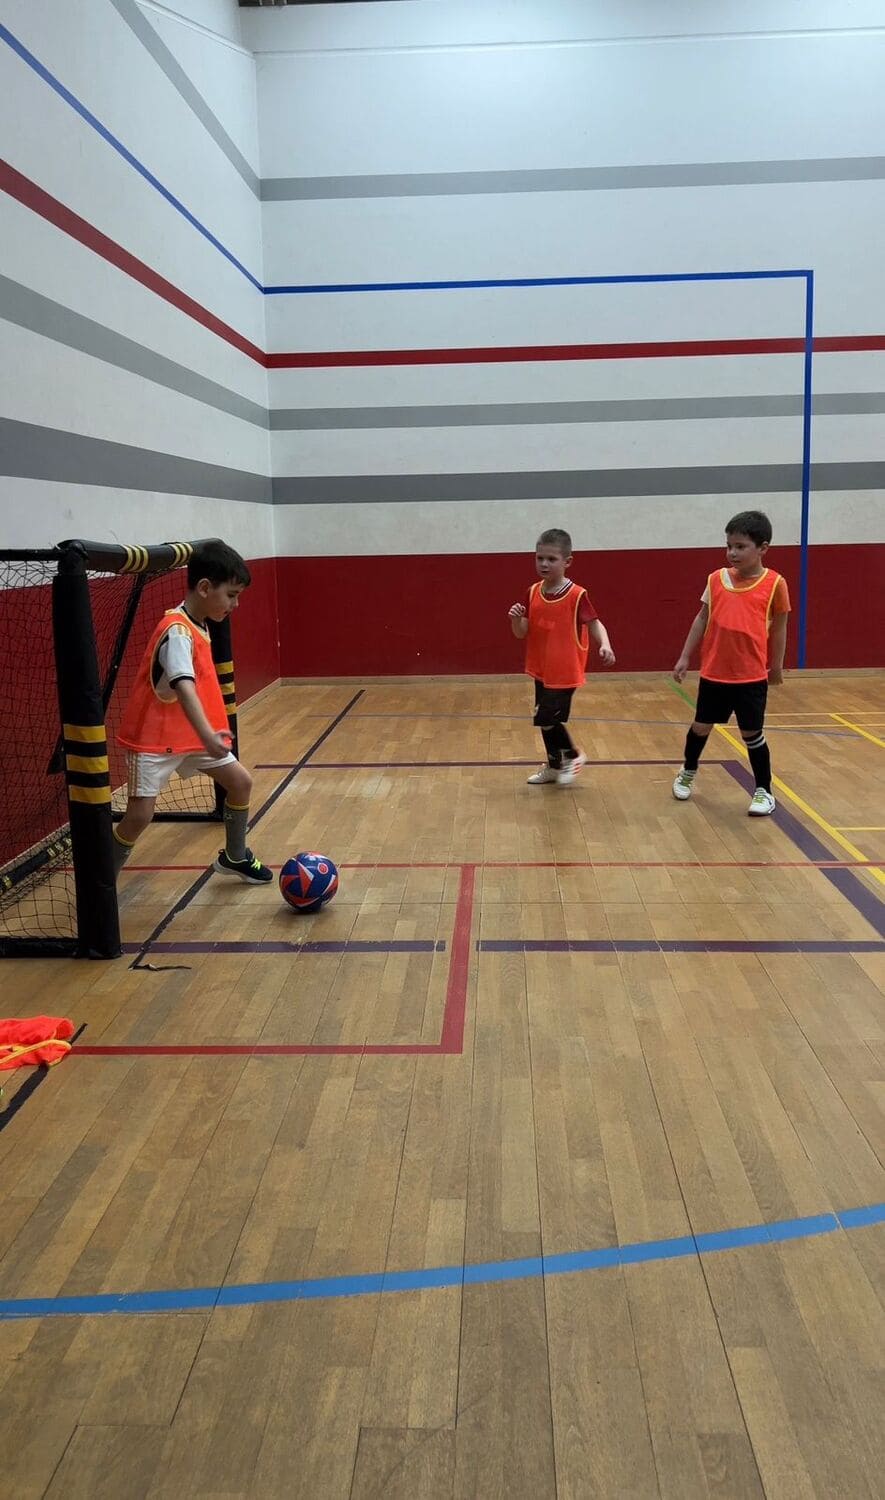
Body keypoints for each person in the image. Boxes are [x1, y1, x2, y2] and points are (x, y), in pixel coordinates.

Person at [112, 538, 272, 882]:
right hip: (153, 741)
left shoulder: (198, 624)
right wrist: (208, 734)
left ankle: (235, 855)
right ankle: (99, 883)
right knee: (139, 816)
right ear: (204, 588)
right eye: (231, 595)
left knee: (240, 783)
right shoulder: (177, 632)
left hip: (190, 737)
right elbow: (184, 687)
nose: (236, 604)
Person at [672, 509, 789, 815]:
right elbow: (701, 618)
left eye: (740, 546)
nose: (732, 553)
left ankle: (764, 790)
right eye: (729, 546)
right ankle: (688, 771)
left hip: (750, 676)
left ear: (762, 548)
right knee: (700, 726)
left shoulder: (775, 583)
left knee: (752, 733)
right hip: (714, 673)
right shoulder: (716, 579)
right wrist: (685, 656)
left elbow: (779, 628)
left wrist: (776, 665)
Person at [509, 528, 615, 785]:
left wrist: (606, 645)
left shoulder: (577, 595)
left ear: (567, 561)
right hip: (541, 668)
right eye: (539, 558)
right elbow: (521, 633)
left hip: (565, 671)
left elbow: (595, 624)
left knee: (547, 718)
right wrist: (514, 620)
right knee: (545, 721)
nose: (544, 564)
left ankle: (574, 755)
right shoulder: (532, 592)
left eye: (551, 559)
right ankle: (555, 766)